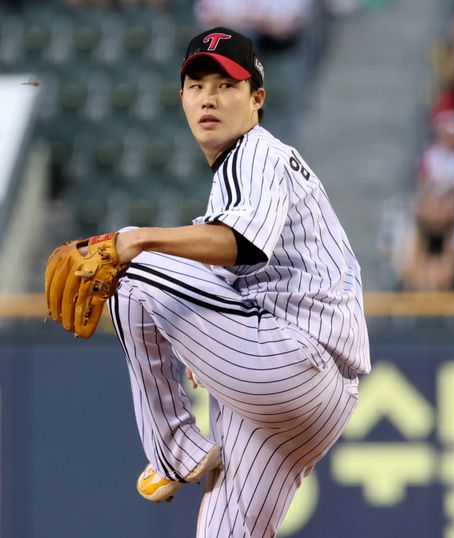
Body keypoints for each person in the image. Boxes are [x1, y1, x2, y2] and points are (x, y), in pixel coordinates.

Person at [104, 27, 370, 537]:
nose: (209, 98)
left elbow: (242, 242)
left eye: (226, 85)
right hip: (303, 395)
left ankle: (175, 450)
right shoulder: (241, 176)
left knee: (127, 267)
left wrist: (137, 240)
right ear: (182, 98)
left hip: (293, 360)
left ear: (257, 99)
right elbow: (228, 273)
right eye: (197, 86)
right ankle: (180, 451)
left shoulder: (256, 154)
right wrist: (208, 351)